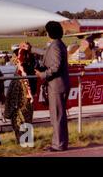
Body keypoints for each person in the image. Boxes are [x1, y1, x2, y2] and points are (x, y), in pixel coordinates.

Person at [35, 21, 70, 152]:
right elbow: (46, 52)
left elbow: (56, 66)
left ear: (49, 32)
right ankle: (61, 143)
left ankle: (58, 145)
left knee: (57, 116)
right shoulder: (58, 44)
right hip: (61, 84)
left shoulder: (55, 46)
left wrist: (42, 74)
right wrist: (31, 48)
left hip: (56, 85)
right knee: (59, 116)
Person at [4, 42, 37, 142]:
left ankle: (23, 141)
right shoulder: (31, 64)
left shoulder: (21, 71)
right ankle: (27, 141)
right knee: (27, 118)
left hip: (21, 96)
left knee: (19, 118)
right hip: (28, 95)